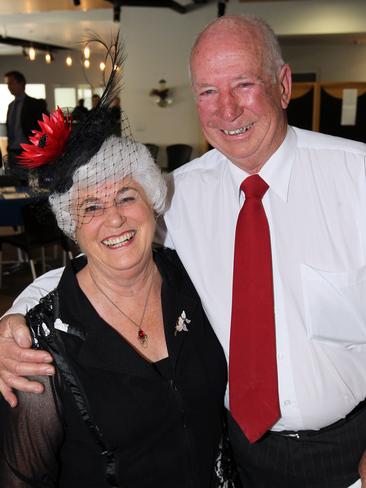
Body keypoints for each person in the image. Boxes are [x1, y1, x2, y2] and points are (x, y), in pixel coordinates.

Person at [0, 14, 365, 488]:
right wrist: (17, 318)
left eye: (243, 84)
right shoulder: (178, 195)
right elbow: (107, 254)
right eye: (208, 91)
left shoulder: (357, 180)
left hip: (348, 452)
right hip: (233, 457)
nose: (226, 109)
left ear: (283, 84)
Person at [0, 58, 228, 486]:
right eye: (91, 207)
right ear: (73, 227)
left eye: (126, 196)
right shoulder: (39, 344)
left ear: (152, 201)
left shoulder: (194, 278)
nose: (115, 219)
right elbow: (21, 478)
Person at [4, 70, 48, 182]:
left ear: (21, 83)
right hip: (13, 152)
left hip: (29, 151)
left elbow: (45, 128)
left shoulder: (34, 104)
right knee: (14, 183)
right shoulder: (11, 106)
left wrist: (39, 150)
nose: (9, 86)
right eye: (7, 84)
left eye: (11, 83)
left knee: (30, 184)